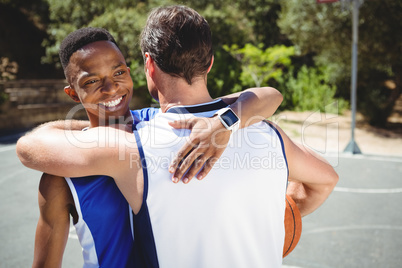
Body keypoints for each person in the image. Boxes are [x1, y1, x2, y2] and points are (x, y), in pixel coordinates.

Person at [17, 6, 338, 268]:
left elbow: (267, 96)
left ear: (144, 66)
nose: (111, 88)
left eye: (119, 72)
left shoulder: (143, 138)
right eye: (92, 82)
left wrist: (225, 124)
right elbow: (270, 96)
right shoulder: (65, 173)